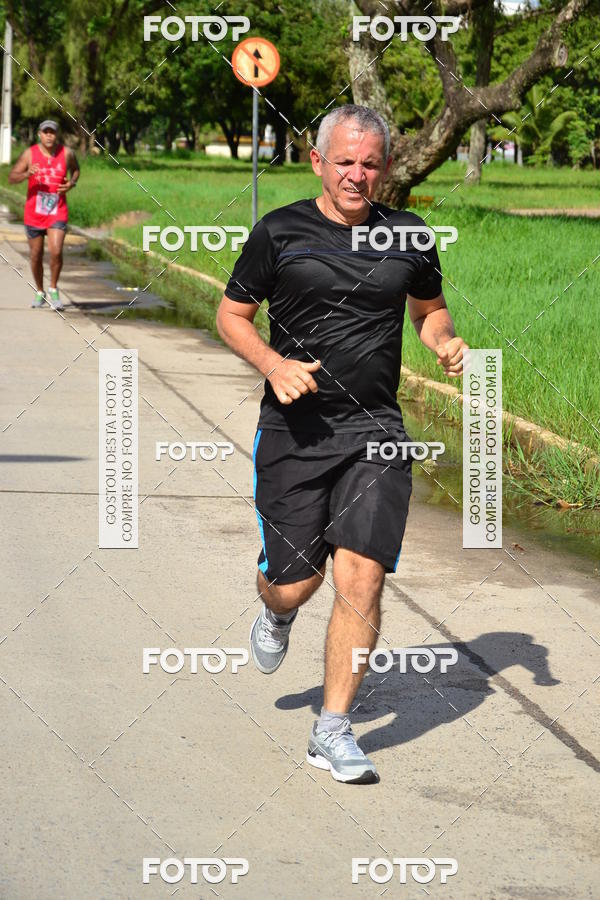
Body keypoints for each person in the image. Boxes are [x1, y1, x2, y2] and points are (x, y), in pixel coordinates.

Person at [216, 105, 468, 784]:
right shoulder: (280, 232)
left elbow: (428, 308)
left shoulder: (408, 236)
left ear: (385, 167)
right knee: (297, 586)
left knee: (363, 575)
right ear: (317, 162)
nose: (357, 175)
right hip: (294, 433)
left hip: (375, 433)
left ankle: (332, 729)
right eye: (345, 161)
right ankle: (274, 611)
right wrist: (273, 365)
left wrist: (442, 341)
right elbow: (232, 315)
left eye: (370, 163)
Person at [9, 119, 80, 310]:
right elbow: (11, 177)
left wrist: (71, 184)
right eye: (45, 132)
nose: (49, 135)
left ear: (57, 135)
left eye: (52, 132)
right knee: (36, 255)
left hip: (57, 212)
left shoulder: (66, 153)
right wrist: (26, 174)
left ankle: (54, 289)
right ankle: (40, 291)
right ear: (39, 134)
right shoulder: (29, 154)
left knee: (56, 251)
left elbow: (76, 170)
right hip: (34, 213)